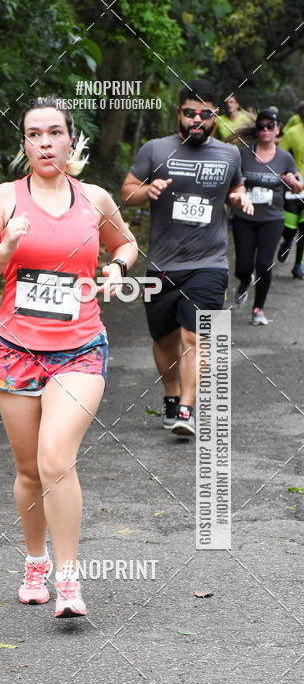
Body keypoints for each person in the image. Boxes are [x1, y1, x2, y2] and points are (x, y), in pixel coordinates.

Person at [0, 95, 137, 618]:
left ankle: (69, 581)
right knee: (28, 471)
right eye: (34, 134)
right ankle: (35, 562)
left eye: (54, 133)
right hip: (16, 352)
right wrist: (4, 248)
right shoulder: (5, 199)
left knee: (56, 458)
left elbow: (126, 244)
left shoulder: (95, 198)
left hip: (80, 349)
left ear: (70, 138)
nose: (45, 142)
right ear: (24, 144)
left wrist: (117, 269)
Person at [121, 79, 253, 437]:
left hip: (210, 263)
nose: (197, 119)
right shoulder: (155, 150)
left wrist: (239, 198)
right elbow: (127, 191)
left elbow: (236, 186)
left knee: (195, 336)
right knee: (164, 340)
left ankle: (186, 409)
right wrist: (147, 190)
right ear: (178, 114)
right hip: (161, 265)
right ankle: (171, 394)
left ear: (215, 117)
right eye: (190, 112)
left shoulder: (229, 155)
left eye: (206, 114)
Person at [233, 110, 302, 324]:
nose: (265, 130)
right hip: (244, 217)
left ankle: (258, 310)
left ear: (277, 129)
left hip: (272, 219)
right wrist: (238, 190)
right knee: (243, 266)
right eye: (261, 126)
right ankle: (245, 281)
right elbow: (232, 182)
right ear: (257, 130)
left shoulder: (284, 157)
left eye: (270, 126)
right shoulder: (244, 154)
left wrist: (293, 181)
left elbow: (299, 186)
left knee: (264, 264)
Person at [278, 101, 304, 278]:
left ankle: (298, 265)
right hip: (295, 188)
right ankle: (287, 242)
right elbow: (280, 157)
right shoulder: (292, 133)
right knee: (290, 228)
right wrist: (289, 177)